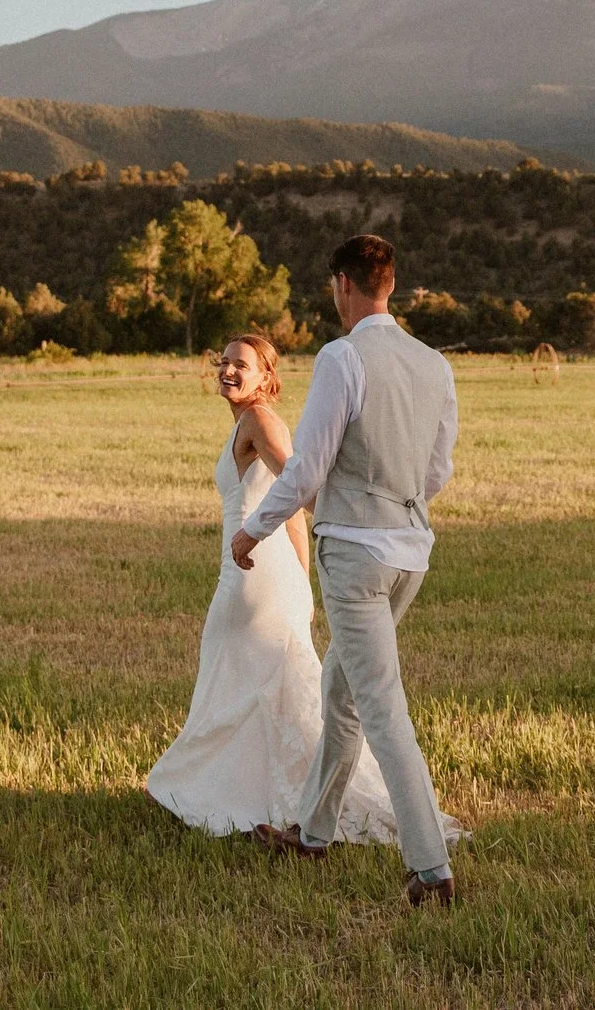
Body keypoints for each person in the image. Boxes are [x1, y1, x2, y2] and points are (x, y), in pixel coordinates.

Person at [233, 234, 462, 907]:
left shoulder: (342, 356)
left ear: (342, 285)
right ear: (389, 283)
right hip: (410, 554)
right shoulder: (433, 363)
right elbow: (437, 472)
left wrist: (254, 528)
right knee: (343, 692)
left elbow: (307, 467)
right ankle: (312, 834)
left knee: (382, 706)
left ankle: (430, 868)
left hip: (356, 556)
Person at [144, 332, 442, 848]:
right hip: (262, 568)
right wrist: (304, 585)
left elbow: (304, 494)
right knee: (250, 681)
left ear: (267, 378)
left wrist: (311, 569)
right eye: (224, 362)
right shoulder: (245, 422)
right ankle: (261, 795)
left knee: (230, 675)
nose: (228, 371)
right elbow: (291, 506)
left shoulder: (260, 421)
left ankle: (197, 789)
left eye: (242, 365)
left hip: (253, 572)